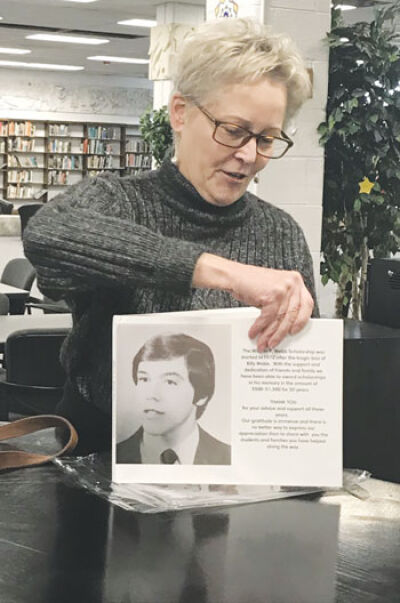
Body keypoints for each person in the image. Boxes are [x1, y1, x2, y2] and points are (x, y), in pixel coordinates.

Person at [23, 18, 318, 454]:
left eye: (267, 138)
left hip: (237, 463)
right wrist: (222, 273)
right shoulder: (119, 201)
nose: (249, 155)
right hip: (98, 456)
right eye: (233, 131)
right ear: (180, 113)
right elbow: (47, 234)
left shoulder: (281, 234)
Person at [117, 333, 231, 465]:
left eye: (170, 382)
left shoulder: (228, 458)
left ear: (202, 396)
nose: (151, 394)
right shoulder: (115, 457)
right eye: (144, 379)